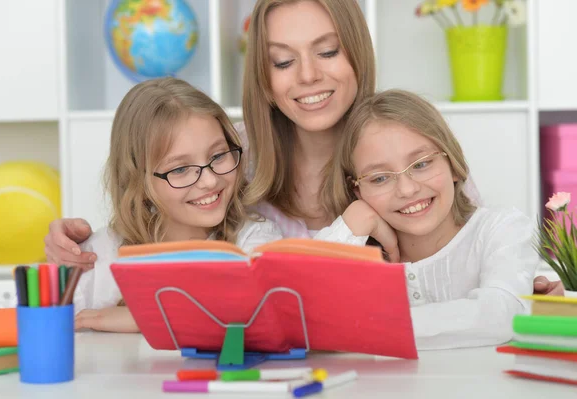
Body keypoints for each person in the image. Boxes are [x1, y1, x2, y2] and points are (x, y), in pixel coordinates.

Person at [44, 0, 562, 295]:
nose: (309, 76)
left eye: (328, 50)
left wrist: (538, 283)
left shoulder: (406, 147)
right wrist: (77, 242)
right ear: (264, 79)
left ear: (356, 53)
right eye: (284, 61)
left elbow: (473, 241)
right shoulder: (228, 159)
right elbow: (156, 222)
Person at [321, 89, 540, 349]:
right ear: (357, 190)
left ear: (453, 164)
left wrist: (359, 327)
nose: (407, 189)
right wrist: (350, 226)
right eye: (380, 178)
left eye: (421, 164)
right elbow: (304, 313)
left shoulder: (502, 229)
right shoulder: (355, 253)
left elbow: (500, 316)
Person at [73, 77, 283, 333]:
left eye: (218, 155)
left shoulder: (255, 241)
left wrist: (141, 319)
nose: (209, 180)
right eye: (181, 168)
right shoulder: (98, 256)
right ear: (137, 180)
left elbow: (255, 315)